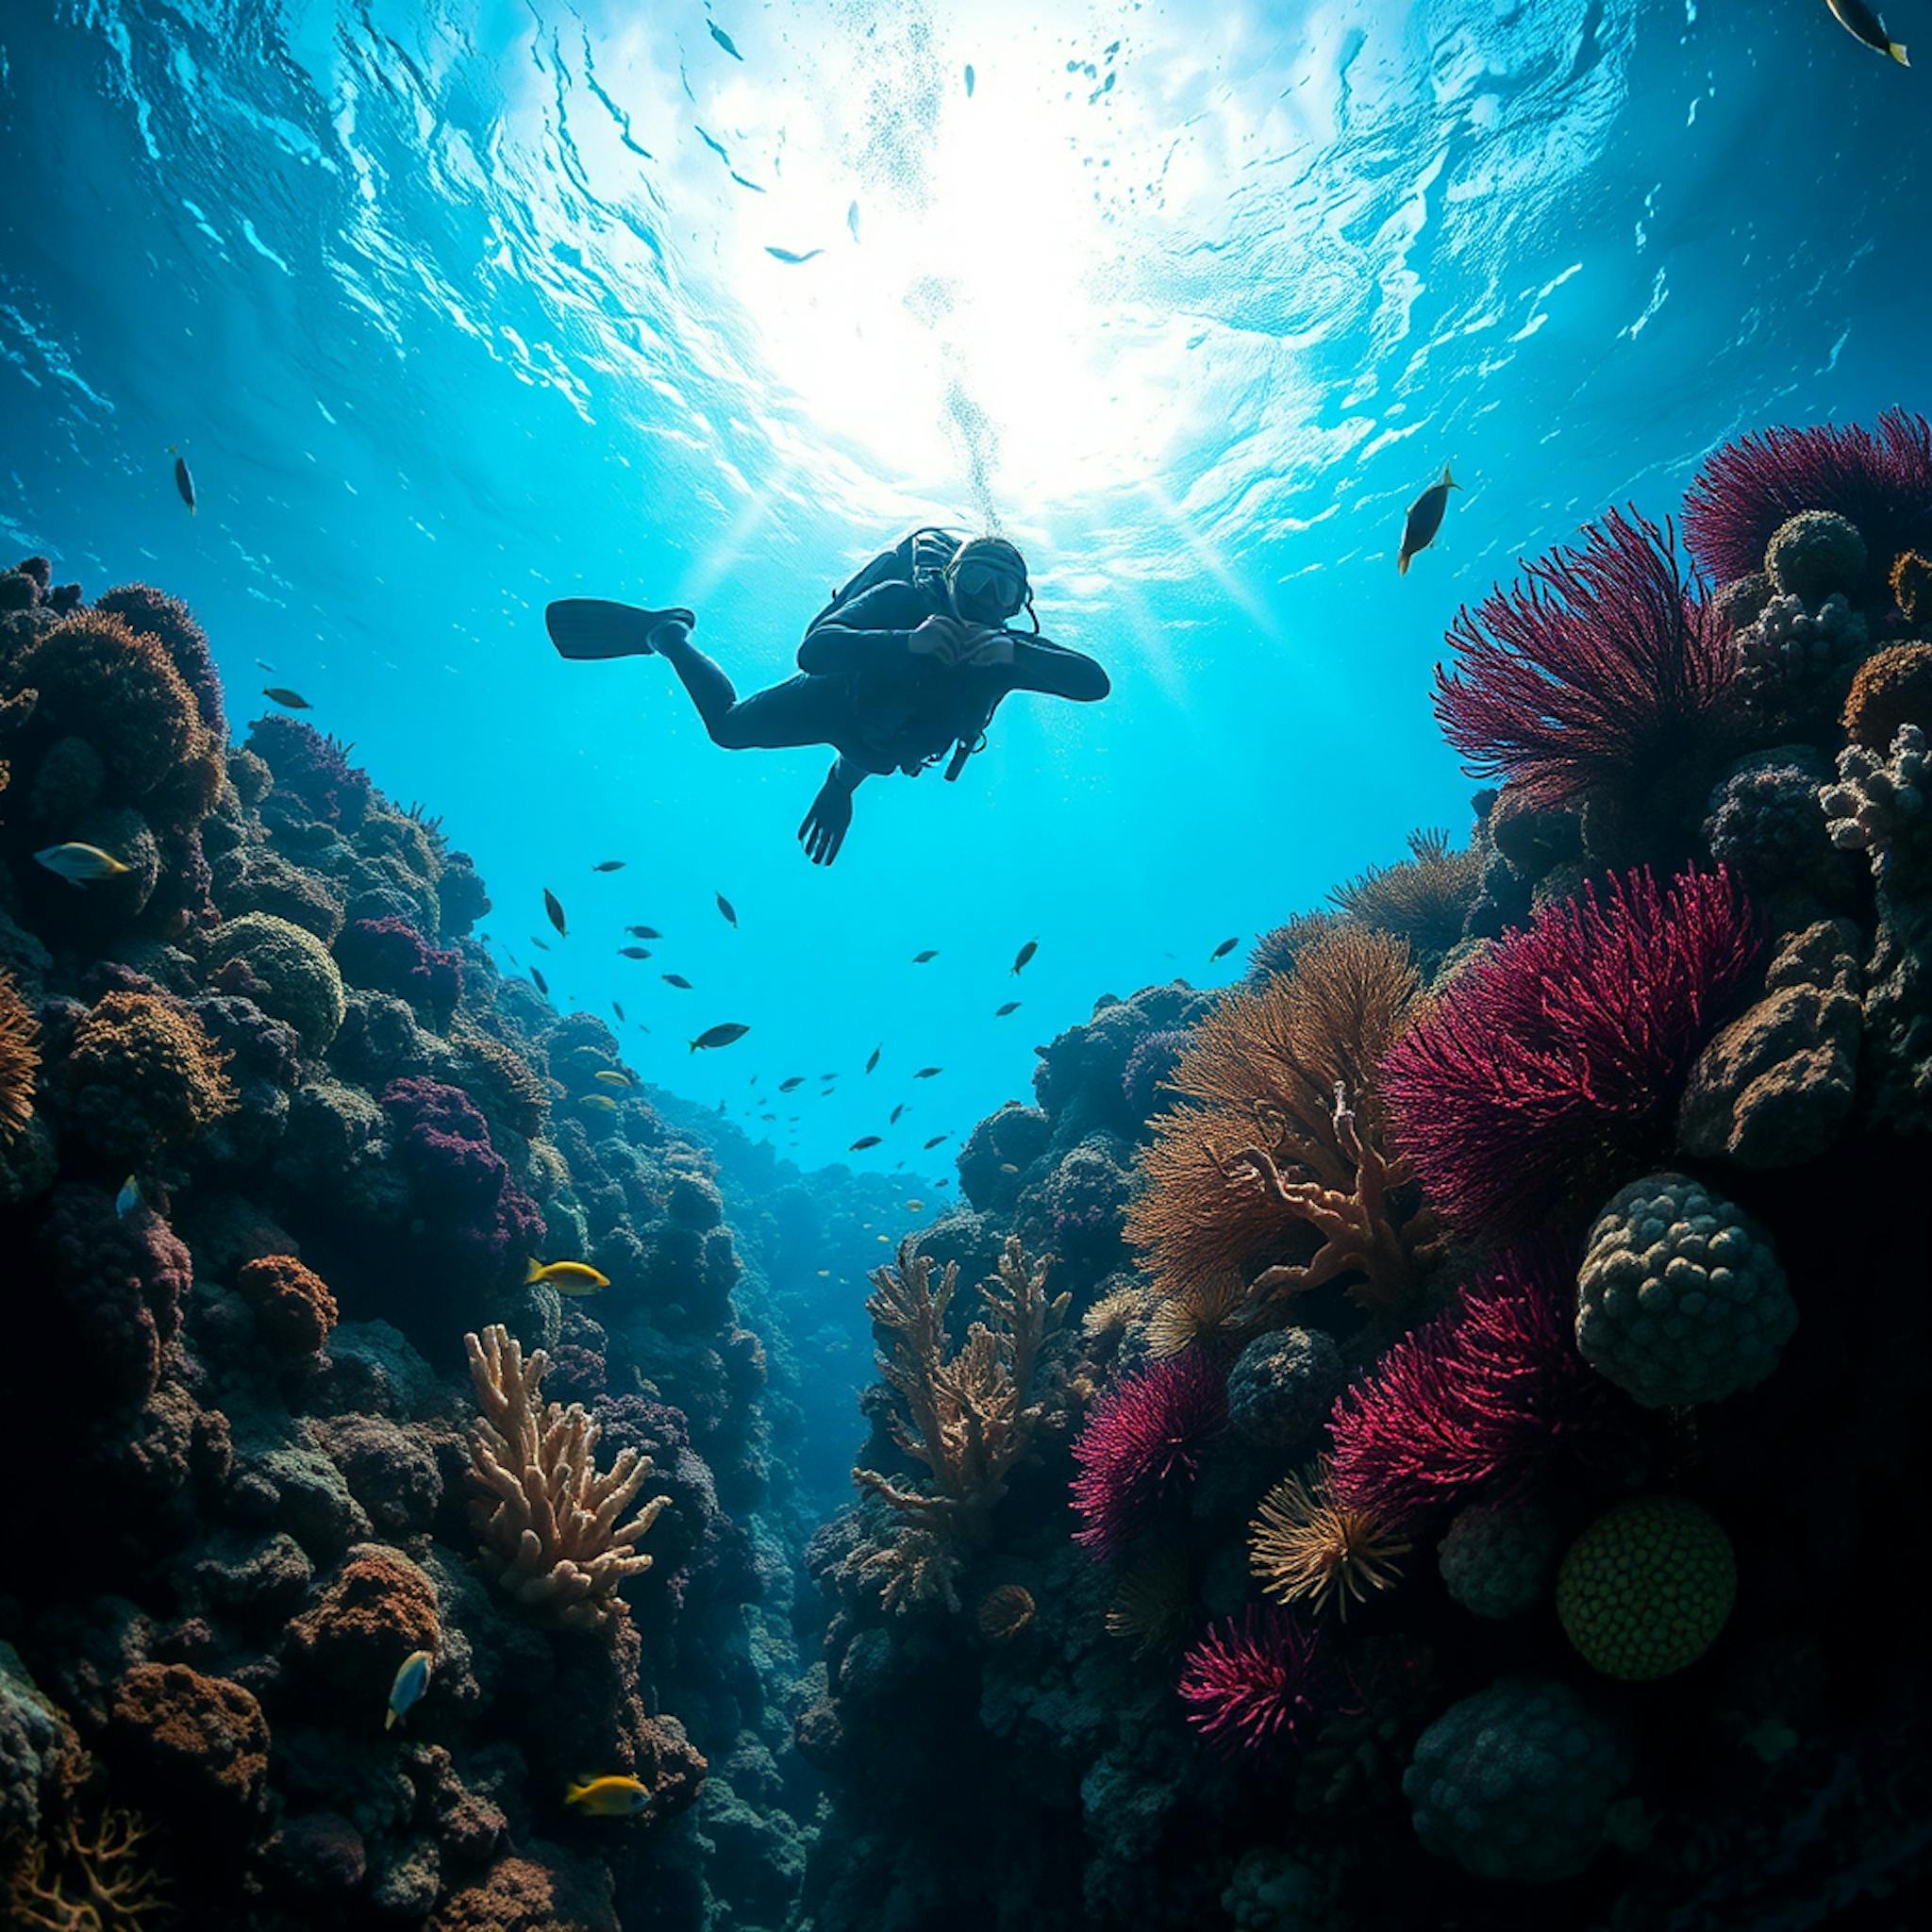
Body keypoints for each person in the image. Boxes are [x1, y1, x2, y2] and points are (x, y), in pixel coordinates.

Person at [545, 531, 1110, 864]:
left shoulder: (1005, 654)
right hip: (834, 699)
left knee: (885, 748)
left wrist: (1014, 656)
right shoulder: (900, 599)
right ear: (950, 577)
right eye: (974, 582)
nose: (984, 601)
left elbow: (1093, 683)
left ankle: (838, 783)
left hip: (884, 744)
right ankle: (667, 634)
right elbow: (814, 652)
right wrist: (905, 641)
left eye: (1002, 591)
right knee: (727, 729)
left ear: (1018, 606)